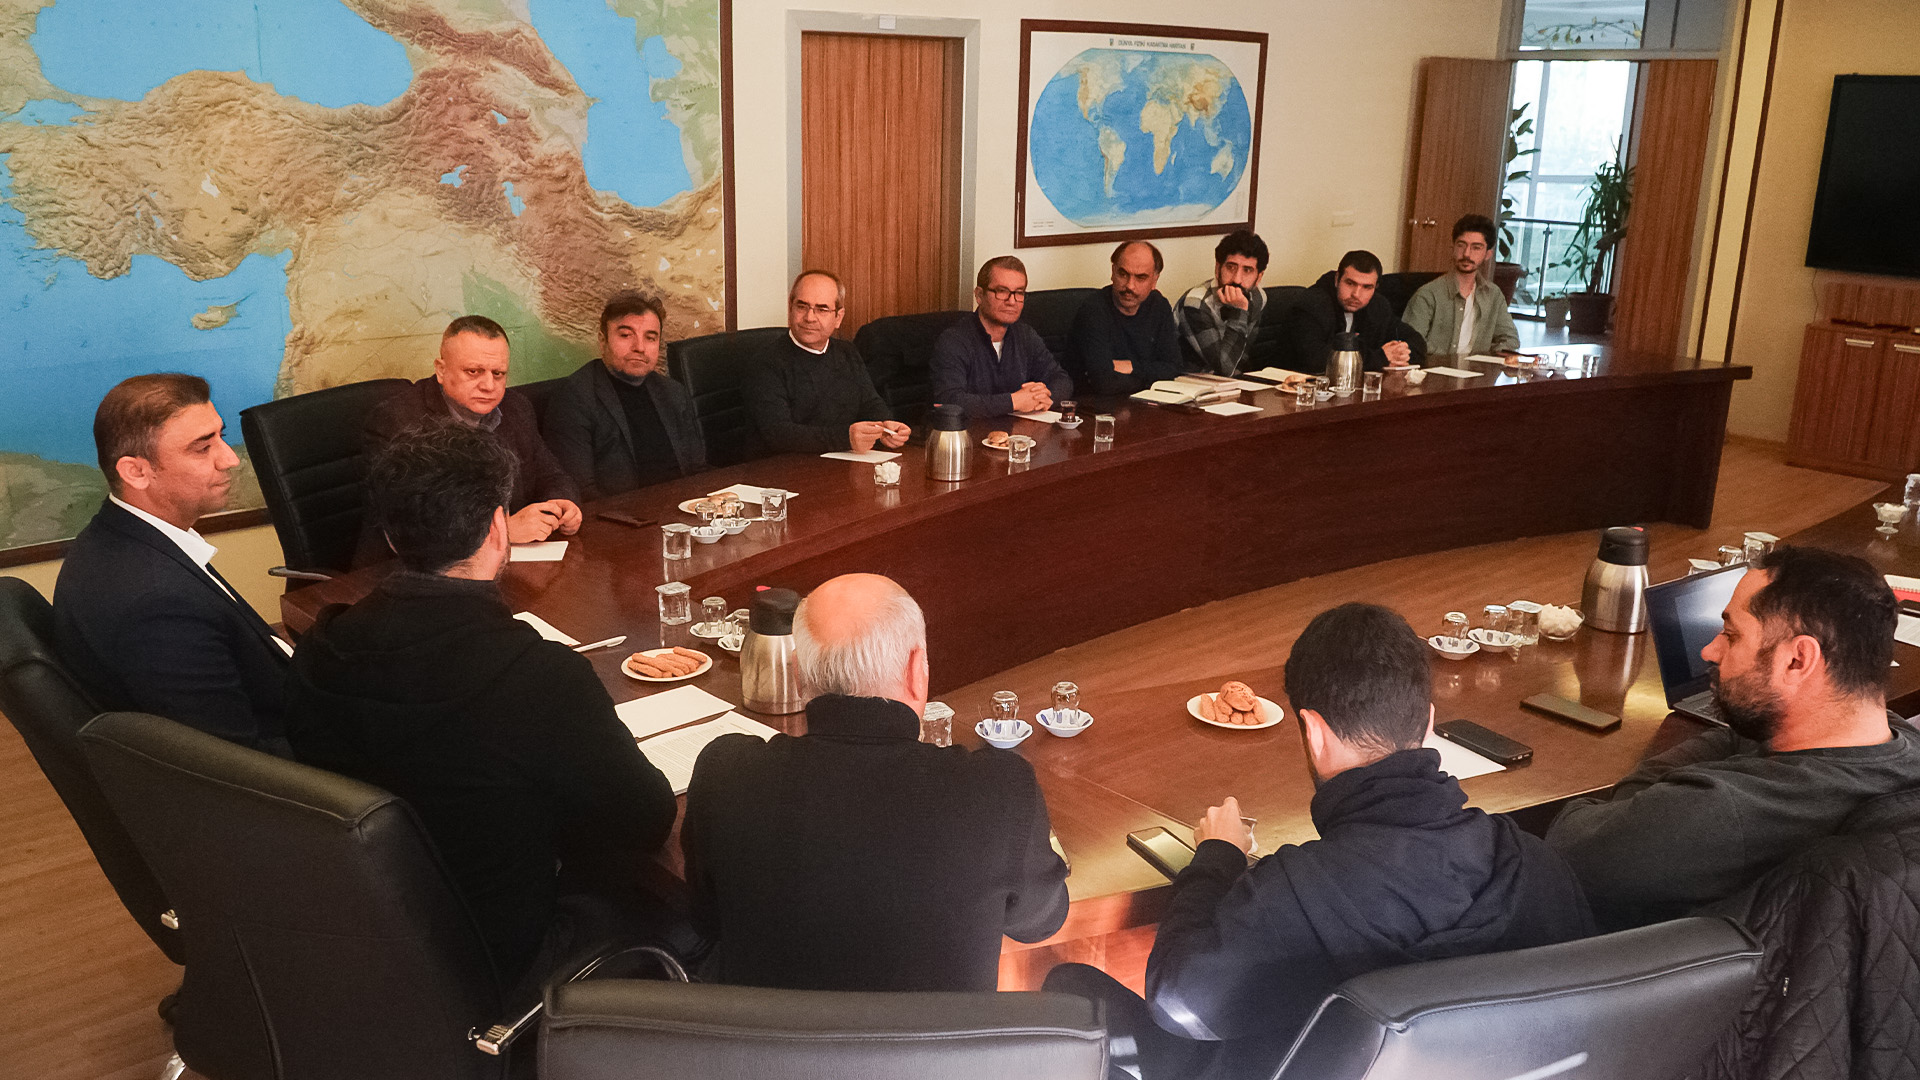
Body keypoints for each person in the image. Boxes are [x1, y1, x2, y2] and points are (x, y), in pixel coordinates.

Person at [1046, 603, 1593, 1080]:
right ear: (1428, 721)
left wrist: (1216, 860)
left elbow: (1178, 1004)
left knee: (1068, 989)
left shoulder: (1294, 893)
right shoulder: (1539, 867)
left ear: (1313, 731)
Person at [285, 422, 678, 992]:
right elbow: (646, 821)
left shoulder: (322, 646)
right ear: (499, 528)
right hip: (508, 953)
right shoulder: (537, 676)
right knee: (686, 917)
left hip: (375, 936)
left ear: (392, 537)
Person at [681, 573, 1069, 991]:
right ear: (916, 670)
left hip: (761, 1035)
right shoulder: (999, 793)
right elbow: (1042, 921)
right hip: (935, 1038)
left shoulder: (726, 775)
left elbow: (705, 917)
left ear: (797, 675)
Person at [1547, 546, 1920, 930]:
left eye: (1731, 635)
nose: (1710, 651)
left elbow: (1567, 847)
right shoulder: (1896, 739)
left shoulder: (1721, 810)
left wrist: (1642, 797)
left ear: (1797, 660)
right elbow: (1738, 739)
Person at [54, 374, 293, 755]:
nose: (230, 459)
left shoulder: (119, 537)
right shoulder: (158, 605)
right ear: (136, 472)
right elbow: (235, 761)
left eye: (221, 437)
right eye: (203, 448)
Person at [357, 315, 580, 565]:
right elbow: (408, 527)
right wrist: (502, 531)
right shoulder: (397, 421)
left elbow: (553, 475)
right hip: (411, 570)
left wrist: (561, 506)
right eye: (474, 372)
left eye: (498, 374)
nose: (489, 385)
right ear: (441, 370)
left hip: (507, 564)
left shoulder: (516, 408)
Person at [542, 290, 706, 500]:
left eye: (650, 338)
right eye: (626, 335)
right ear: (603, 341)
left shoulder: (672, 392)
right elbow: (579, 491)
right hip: (619, 515)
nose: (640, 347)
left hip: (679, 511)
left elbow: (696, 470)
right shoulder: (574, 398)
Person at [741, 270, 907, 454]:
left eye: (822, 309)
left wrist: (885, 426)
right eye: (802, 306)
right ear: (790, 308)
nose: (809, 317)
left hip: (840, 459)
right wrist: (846, 438)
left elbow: (869, 402)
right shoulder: (766, 363)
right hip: (784, 465)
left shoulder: (847, 352)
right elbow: (779, 434)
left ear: (838, 318)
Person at [931, 256, 1073, 419]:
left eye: (1019, 293)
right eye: (1002, 291)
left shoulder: (1025, 335)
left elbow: (1062, 380)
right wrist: (1014, 401)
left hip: (1017, 430)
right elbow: (950, 401)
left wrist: (1045, 397)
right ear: (979, 295)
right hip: (969, 432)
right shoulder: (953, 341)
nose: (1012, 301)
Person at [1275, 250, 1426, 374]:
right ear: (1337, 280)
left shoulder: (1378, 306)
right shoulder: (1312, 305)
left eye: (1367, 287)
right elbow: (1315, 361)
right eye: (1350, 283)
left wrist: (1400, 354)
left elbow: (1416, 342)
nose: (1356, 294)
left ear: (1376, 287)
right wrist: (1380, 358)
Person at [1070, 240, 1185, 394]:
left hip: (1147, 400)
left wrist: (1131, 367)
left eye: (1140, 277)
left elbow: (1174, 368)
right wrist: (1151, 375)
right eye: (1123, 274)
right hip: (1094, 402)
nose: (1130, 286)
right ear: (1113, 272)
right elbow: (1104, 381)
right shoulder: (1093, 310)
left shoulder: (1158, 305)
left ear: (1154, 280)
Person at [1400, 214, 1521, 358]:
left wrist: (1487, 357)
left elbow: (1510, 339)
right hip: (1435, 368)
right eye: (1461, 245)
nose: (1466, 254)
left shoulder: (1493, 294)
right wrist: (1450, 360)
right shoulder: (1428, 294)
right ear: (1453, 247)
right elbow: (1411, 342)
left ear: (1488, 254)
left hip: (1477, 369)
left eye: (1476, 248)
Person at [1174, 230, 1269, 376]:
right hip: (1190, 380)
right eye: (1231, 267)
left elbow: (1242, 356)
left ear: (1259, 277)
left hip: (1231, 382)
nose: (1237, 279)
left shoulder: (1258, 298)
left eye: (1247, 270)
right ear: (1218, 268)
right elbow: (1224, 368)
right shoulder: (1196, 304)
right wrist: (1239, 312)